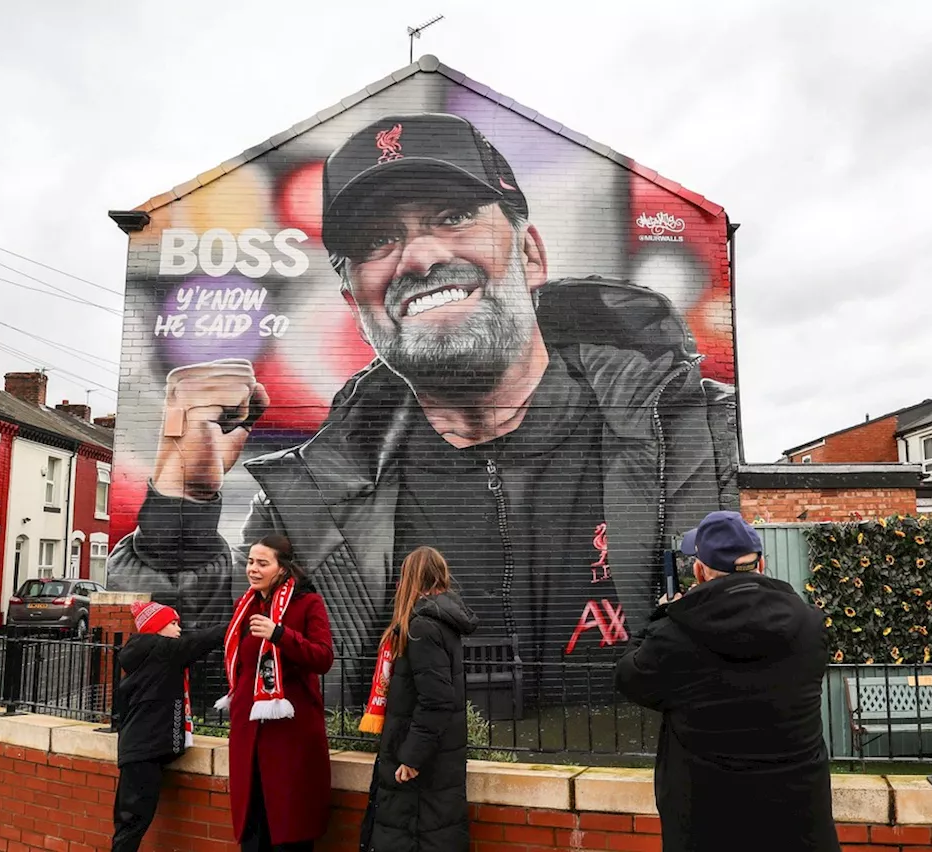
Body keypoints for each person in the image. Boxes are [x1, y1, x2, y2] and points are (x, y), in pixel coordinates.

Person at [107, 111, 740, 678]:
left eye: (454, 216)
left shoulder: (687, 435)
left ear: (530, 253)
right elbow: (199, 655)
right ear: (357, 303)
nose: (418, 257)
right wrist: (181, 507)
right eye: (378, 241)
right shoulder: (310, 500)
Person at [614, 511, 840, 852]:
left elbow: (630, 679)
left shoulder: (673, 635)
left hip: (707, 826)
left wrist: (660, 616)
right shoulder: (810, 625)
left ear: (700, 571)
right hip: (799, 824)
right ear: (761, 565)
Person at [217, 534, 335, 851]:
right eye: (250, 562)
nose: (252, 569)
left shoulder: (308, 603)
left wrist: (280, 634)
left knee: (287, 827)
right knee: (253, 830)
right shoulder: (246, 605)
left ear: (282, 568)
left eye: (262, 563)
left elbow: (323, 657)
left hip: (290, 737)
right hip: (249, 735)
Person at [358, 546, 478, 852]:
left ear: (409, 579)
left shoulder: (422, 628)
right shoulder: (440, 622)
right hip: (436, 761)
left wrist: (411, 757)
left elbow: (436, 700)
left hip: (418, 769)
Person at [112, 600, 224, 852]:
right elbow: (203, 641)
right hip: (145, 752)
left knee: (127, 823)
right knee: (132, 824)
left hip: (134, 749)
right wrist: (240, 622)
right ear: (157, 627)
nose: (178, 629)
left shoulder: (141, 656)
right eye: (172, 623)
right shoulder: (164, 651)